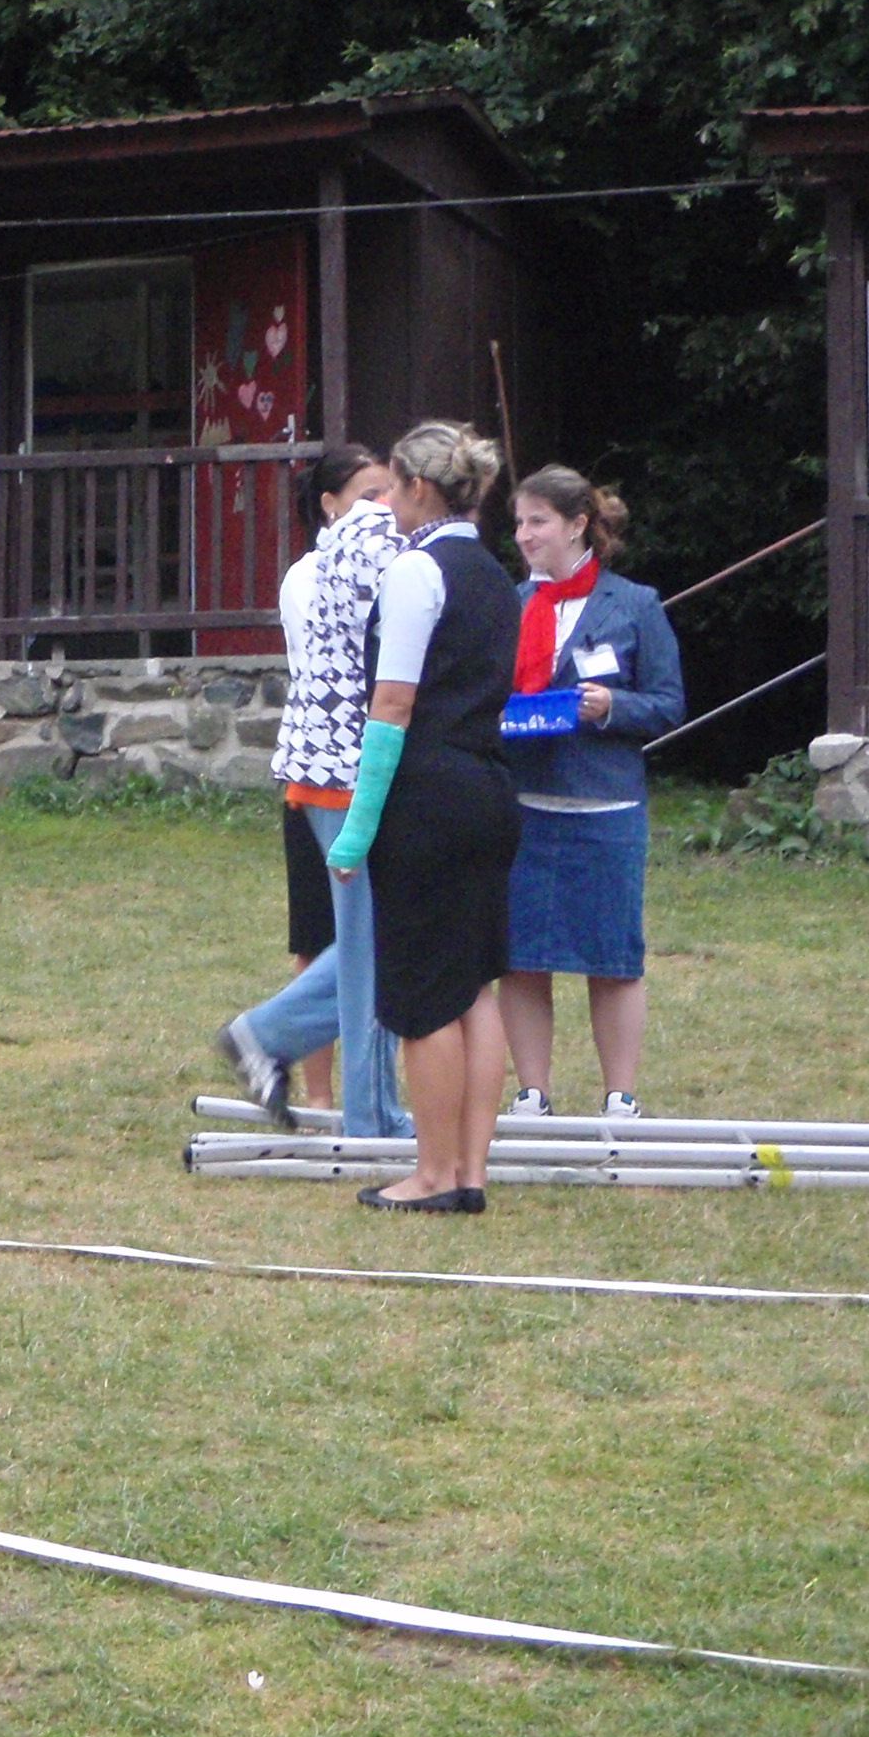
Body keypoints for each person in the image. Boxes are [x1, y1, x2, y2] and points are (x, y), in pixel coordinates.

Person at [324, 422, 521, 1212]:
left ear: (419, 488)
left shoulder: (416, 571)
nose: (387, 504)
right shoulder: (496, 575)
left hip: (428, 795)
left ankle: (432, 1174)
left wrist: (357, 827)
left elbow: (392, 706)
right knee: (475, 989)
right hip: (488, 785)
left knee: (422, 998)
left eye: (393, 487)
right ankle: (470, 1172)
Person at [214, 445, 412, 1136]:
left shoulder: (365, 550)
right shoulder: (337, 560)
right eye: (370, 494)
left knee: (377, 942)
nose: (385, 506)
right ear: (330, 505)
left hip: (340, 767)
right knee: (372, 947)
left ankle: (272, 1039)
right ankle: (366, 1112)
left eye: (391, 492)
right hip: (339, 770)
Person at [497, 465, 686, 1120]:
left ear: (578, 525)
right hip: (526, 806)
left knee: (612, 959)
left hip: (606, 809)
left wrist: (612, 707)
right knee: (522, 958)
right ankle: (532, 1093)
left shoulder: (633, 605)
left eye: (538, 522)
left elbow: (668, 704)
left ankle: (619, 1096)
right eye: (518, 523)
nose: (524, 536)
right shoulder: (511, 604)